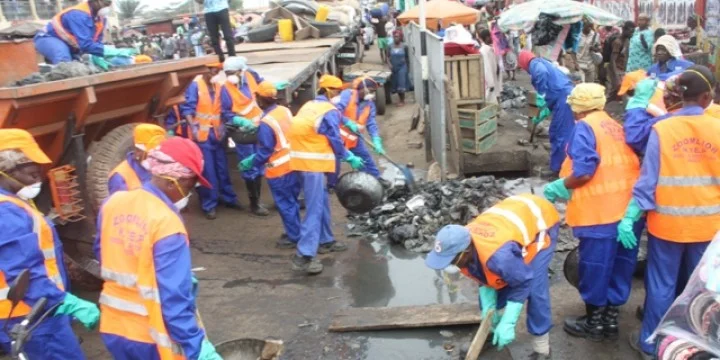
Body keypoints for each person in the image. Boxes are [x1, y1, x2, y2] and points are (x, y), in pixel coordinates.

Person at [617, 66, 719, 359]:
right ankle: (696, 346)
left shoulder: (662, 129)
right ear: (706, 97)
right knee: (699, 289)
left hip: (667, 225)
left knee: (661, 285)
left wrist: (630, 217)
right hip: (708, 227)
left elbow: (647, 183)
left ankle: (652, 343)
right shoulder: (718, 127)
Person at [96, 137, 222, 360]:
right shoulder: (166, 222)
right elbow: (173, 299)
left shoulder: (114, 203)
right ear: (173, 181)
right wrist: (196, 345)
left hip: (114, 327)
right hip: (150, 337)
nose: (189, 193)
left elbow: (102, 252)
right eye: (190, 185)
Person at [543, 83, 643, 342]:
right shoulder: (615, 126)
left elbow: (585, 170)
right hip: (629, 215)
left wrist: (560, 186)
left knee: (595, 268)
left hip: (601, 215)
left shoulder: (584, 127)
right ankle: (611, 319)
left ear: (577, 109)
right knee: (621, 266)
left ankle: (594, 322)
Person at [0, 129, 99, 359]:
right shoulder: (6, 212)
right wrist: (65, 302)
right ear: (6, 170)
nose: (38, 180)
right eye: (32, 174)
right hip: (31, 315)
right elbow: (23, 272)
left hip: (36, 309)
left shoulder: (14, 202)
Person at [425, 194, 560, 360]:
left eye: (452, 260)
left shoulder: (499, 257)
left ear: (466, 251)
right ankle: (489, 331)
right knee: (499, 279)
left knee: (534, 288)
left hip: (541, 221)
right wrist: (489, 306)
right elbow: (483, 275)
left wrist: (509, 321)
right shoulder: (461, 246)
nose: (452, 265)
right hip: (510, 220)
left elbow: (522, 282)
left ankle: (542, 348)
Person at [288, 75, 364, 275]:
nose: (340, 95)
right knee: (314, 209)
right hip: (312, 164)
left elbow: (335, 118)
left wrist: (348, 122)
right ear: (330, 92)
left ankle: (326, 240)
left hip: (302, 161)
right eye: (338, 92)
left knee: (321, 201)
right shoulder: (328, 110)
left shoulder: (311, 105)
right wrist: (349, 156)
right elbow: (334, 139)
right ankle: (304, 256)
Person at [239, 81, 301, 248]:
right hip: (294, 163)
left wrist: (252, 163)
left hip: (279, 170)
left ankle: (294, 236)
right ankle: (295, 229)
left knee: (285, 204)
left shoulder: (267, 122)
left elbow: (265, 151)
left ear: (260, 99)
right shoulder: (284, 111)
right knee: (292, 201)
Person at [181, 62, 242, 220]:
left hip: (216, 134)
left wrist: (225, 125)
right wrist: (192, 126)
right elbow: (188, 108)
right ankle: (209, 204)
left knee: (222, 168)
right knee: (208, 172)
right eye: (212, 72)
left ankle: (228, 198)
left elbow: (224, 109)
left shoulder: (219, 87)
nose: (214, 75)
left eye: (216, 72)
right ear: (205, 71)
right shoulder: (195, 86)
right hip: (202, 136)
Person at [220, 56, 269, 216]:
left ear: (242, 71)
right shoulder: (226, 89)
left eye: (232, 72)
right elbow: (226, 113)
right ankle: (254, 204)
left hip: (258, 125)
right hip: (243, 132)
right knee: (248, 164)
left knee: (260, 160)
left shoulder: (250, 75)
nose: (230, 76)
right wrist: (238, 120)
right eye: (227, 73)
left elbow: (261, 86)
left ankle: (258, 199)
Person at [518, 50, 575, 173]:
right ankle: (557, 164)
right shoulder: (543, 62)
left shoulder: (534, 64)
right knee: (554, 131)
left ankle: (560, 169)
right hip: (561, 97)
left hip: (564, 98)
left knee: (561, 134)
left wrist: (541, 94)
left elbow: (542, 73)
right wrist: (546, 108)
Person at [34, 0, 135, 67]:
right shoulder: (78, 14)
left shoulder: (100, 19)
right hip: (48, 38)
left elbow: (96, 43)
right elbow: (86, 45)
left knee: (80, 67)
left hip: (70, 44)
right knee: (64, 62)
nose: (107, 7)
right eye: (105, 4)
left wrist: (98, 56)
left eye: (108, 4)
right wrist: (114, 51)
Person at [334, 77, 385, 178]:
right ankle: (332, 185)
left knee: (367, 160)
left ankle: (377, 180)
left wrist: (376, 139)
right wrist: (347, 121)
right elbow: (336, 111)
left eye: (373, 92)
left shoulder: (369, 104)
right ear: (363, 89)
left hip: (355, 139)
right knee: (334, 164)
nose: (372, 94)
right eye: (370, 91)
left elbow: (371, 123)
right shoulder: (347, 95)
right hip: (337, 138)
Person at [108, 124, 166, 195]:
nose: (156, 158)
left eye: (158, 154)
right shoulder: (120, 178)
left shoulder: (162, 167)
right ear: (138, 152)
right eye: (151, 155)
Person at [608, 21, 634, 99]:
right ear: (625, 30)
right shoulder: (618, 42)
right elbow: (612, 60)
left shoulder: (627, 41)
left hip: (623, 70)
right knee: (616, 92)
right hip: (617, 70)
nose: (631, 34)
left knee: (618, 93)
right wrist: (616, 76)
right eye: (630, 31)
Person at [478, 29, 502, 103]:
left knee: (495, 98)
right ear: (487, 37)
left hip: (494, 78)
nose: (492, 38)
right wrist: (490, 83)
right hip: (490, 81)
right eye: (491, 36)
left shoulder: (490, 48)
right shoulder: (483, 50)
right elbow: (486, 68)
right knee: (490, 100)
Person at [387, 30, 410, 106]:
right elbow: (387, 57)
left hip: (402, 67)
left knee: (401, 82)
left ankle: (402, 100)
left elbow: (407, 58)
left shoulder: (404, 46)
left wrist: (407, 67)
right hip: (394, 67)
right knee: (396, 83)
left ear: (400, 37)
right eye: (394, 37)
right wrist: (389, 64)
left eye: (397, 36)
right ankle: (399, 99)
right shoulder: (390, 46)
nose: (395, 38)